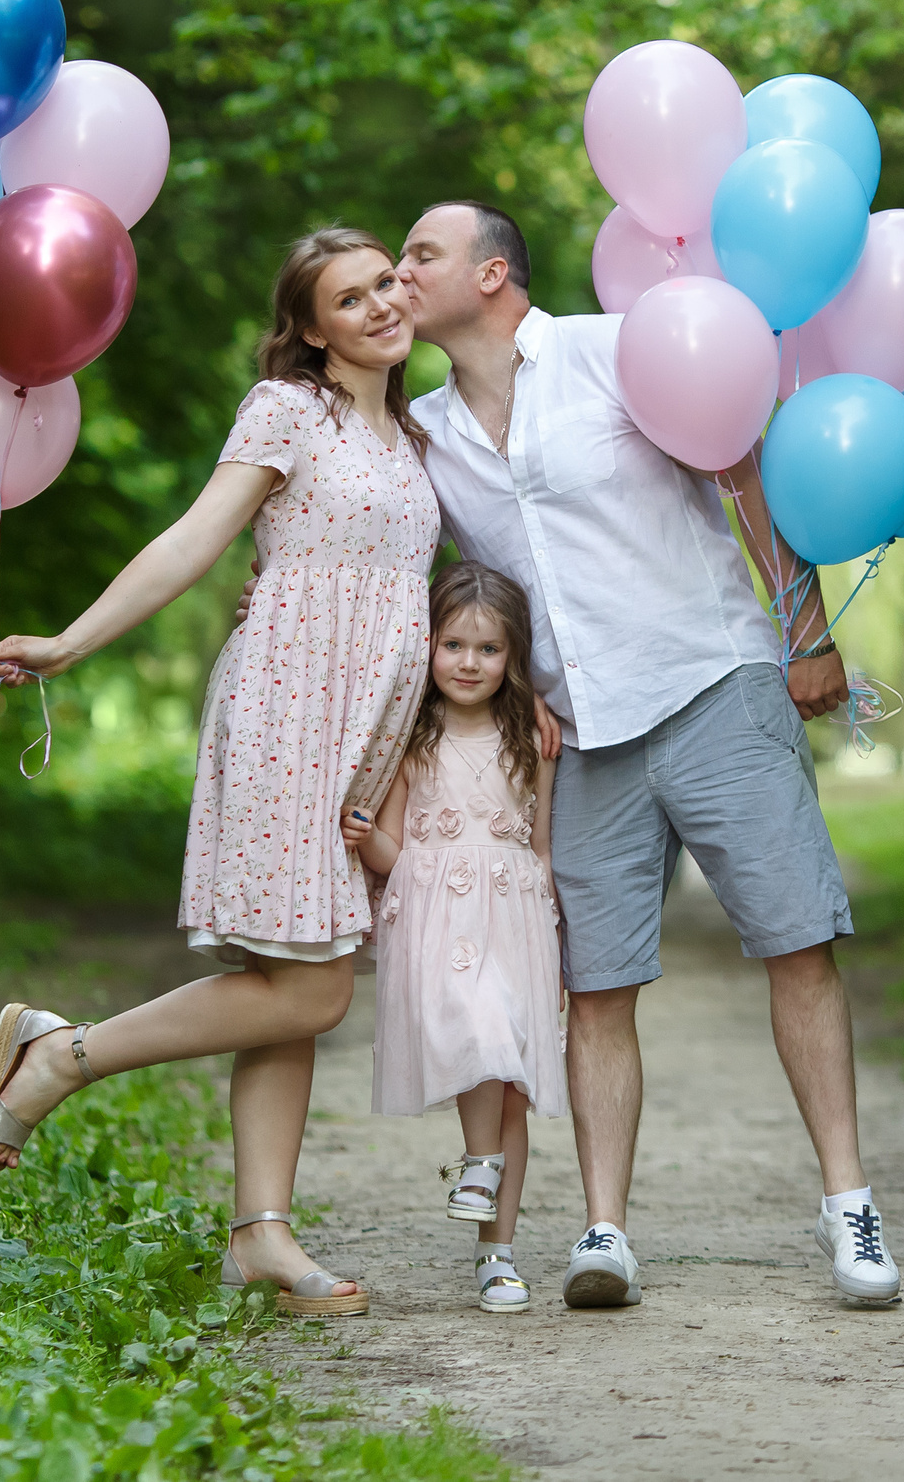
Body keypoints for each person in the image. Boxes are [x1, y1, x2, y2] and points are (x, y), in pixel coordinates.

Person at [393, 199, 900, 1310]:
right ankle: (605, 1230)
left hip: (713, 680)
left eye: (419, 253)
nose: (398, 272)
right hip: (581, 733)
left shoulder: (611, 347)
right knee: (594, 988)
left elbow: (742, 465)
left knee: (798, 942)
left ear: (491, 274)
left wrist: (805, 628)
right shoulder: (423, 431)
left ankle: (849, 1207)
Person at [0, 226, 440, 1319]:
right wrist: (71, 643)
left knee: (291, 980)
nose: (378, 306)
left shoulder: (414, 434)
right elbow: (194, 539)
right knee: (313, 987)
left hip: (361, 724)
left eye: (385, 285)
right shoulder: (289, 411)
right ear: (312, 332)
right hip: (289, 711)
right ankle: (62, 1054)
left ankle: (261, 1236)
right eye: (349, 297)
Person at [343, 562, 565, 1314]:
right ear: (427, 644)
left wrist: (554, 934)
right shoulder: (413, 739)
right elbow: (396, 852)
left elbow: (538, 846)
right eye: (454, 644)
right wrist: (363, 835)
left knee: (512, 1091)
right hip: (438, 923)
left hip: (515, 918)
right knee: (481, 1034)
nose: (469, 662)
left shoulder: (530, 741)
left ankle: (497, 1256)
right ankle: (477, 1165)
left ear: (513, 657)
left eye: (489, 649)